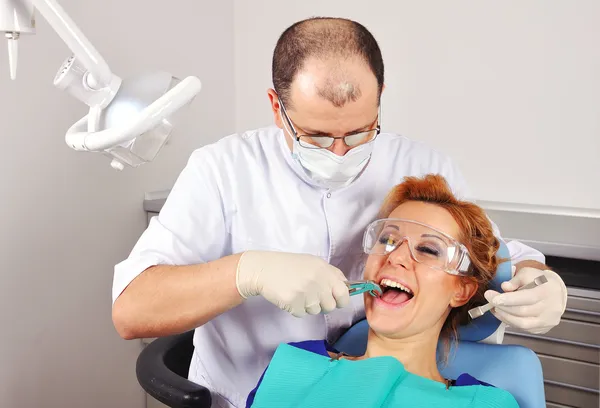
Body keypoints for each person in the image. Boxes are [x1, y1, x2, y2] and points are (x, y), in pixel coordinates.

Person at [112, 17, 567, 408]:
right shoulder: (222, 170)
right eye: (315, 136)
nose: (340, 150)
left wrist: (534, 274)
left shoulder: (424, 168)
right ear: (276, 107)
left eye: (360, 133)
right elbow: (132, 310)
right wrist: (247, 272)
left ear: (380, 96)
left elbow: (485, 251)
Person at [246, 174, 520, 407]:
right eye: (387, 239)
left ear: (461, 291)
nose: (396, 256)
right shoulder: (297, 365)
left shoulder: (483, 403)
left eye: (427, 249)